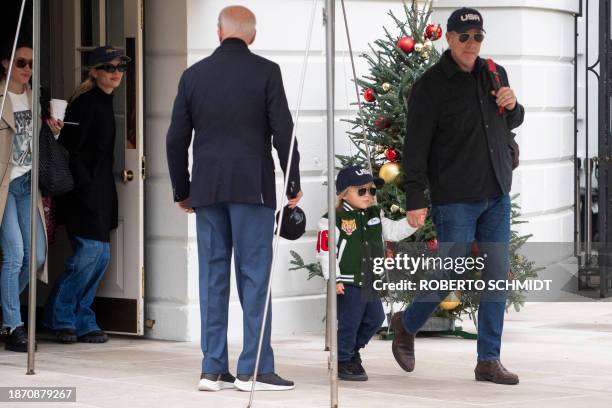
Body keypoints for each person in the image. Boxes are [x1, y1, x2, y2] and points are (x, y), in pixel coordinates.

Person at [166, 5, 302, 392]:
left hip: (207, 190)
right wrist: (292, 184)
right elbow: (284, 132)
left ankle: (212, 369)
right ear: (252, 35)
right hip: (252, 189)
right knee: (254, 277)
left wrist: (183, 189)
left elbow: (175, 139)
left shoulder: (193, 75)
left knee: (212, 277)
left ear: (218, 32)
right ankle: (253, 368)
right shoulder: (266, 71)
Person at [392, 8, 524, 385]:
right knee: (449, 271)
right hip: (455, 197)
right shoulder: (430, 85)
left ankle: (488, 361)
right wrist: (415, 197)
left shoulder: (493, 73)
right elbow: (414, 147)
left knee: (496, 276)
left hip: (496, 192)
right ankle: (407, 322)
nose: (471, 44)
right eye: (463, 37)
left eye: (477, 37)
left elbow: (510, 122)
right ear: (448, 38)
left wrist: (515, 106)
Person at [43, 46, 130, 344]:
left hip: (100, 190)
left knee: (100, 256)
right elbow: (71, 150)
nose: (116, 73)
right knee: (89, 255)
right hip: (84, 192)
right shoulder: (86, 103)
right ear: (94, 72)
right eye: (109, 67)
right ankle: (61, 316)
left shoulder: (105, 101)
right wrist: (86, 189)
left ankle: (81, 317)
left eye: (120, 67)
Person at [316, 166, 417, 381]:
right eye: (361, 191)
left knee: (375, 318)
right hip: (348, 280)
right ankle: (343, 360)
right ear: (344, 193)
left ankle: (352, 352)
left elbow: (393, 231)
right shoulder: (333, 219)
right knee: (349, 321)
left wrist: (412, 224)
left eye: (372, 191)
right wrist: (333, 277)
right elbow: (326, 251)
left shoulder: (375, 215)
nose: (369, 196)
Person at [0, 40, 61, 352]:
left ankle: (5, 312)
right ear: (5, 63)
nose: (26, 69)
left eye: (30, 64)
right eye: (21, 63)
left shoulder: (34, 97)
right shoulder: (1, 98)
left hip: (28, 185)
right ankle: (13, 325)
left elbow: (36, 141)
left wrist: (54, 130)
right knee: (14, 255)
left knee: (35, 256)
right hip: (4, 186)